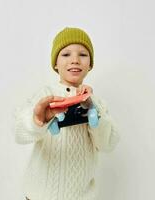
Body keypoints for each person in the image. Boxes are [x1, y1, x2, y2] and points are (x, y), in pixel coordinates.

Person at [14, 27, 119, 200]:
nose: (75, 60)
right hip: (41, 195)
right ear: (55, 63)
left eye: (83, 55)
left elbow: (108, 144)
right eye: (66, 54)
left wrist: (94, 112)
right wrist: (37, 120)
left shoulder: (96, 103)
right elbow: (19, 133)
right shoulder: (45, 95)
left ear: (90, 64)